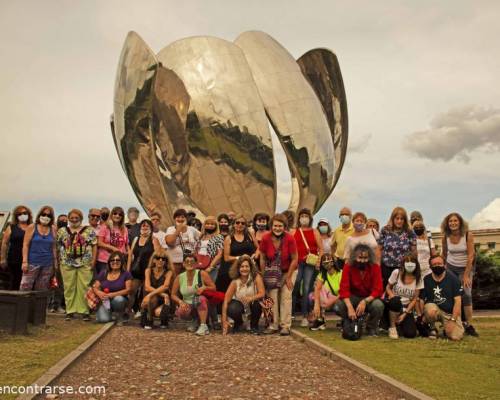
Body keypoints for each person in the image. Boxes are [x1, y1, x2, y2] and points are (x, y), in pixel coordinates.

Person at [259, 213, 298, 335]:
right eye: (275, 225)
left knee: (286, 296)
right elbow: (262, 258)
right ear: (271, 225)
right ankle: (273, 324)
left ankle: (285, 325)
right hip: (272, 272)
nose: (277, 228)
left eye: (280, 226)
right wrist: (263, 275)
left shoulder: (290, 238)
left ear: (284, 226)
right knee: (272, 297)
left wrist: (288, 277)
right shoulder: (266, 238)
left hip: (288, 269)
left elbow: (295, 258)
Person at [441, 212, 477, 337]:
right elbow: (444, 255)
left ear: (460, 222)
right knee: (452, 296)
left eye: (455, 221)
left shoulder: (468, 235)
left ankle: (468, 325)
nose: (453, 223)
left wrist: (466, 275)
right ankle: (455, 323)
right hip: (450, 268)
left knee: (466, 294)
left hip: (465, 269)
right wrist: (442, 270)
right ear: (447, 223)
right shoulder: (445, 236)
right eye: (450, 221)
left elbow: (471, 256)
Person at [57, 209, 97, 321]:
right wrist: (58, 260)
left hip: (85, 262)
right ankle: (70, 310)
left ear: (81, 218)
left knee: (84, 286)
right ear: (68, 219)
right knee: (69, 286)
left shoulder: (89, 230)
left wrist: (93, 260)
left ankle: (84, 311)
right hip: (66, 262)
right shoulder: (62, 231)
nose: (74, 220)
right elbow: (58, 246)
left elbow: (94, 245)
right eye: (72, 218)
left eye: (77, 217)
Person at [337, 244, 384, 337]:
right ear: (354, 256)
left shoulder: (375, 267)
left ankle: (371, 327)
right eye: (360, 257)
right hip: (353, 297)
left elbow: (378, 289)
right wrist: (350, 307)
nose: (363, 260)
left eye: (365, 258)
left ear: (369, 257)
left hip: (369, 298)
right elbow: (343, 289)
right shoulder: (347, 266)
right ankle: (348, 322)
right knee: (338, 305)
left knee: (378, 305)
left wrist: (365, 301)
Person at [170, 251, 216, 335]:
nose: (189, 263)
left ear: (196, 264)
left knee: (200, 299)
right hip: (188, 304)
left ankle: (203, 326)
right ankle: (195, 321)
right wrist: (180, 302)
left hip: (203, 304)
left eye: (192, 262)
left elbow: (214, 288)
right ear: (183, 264)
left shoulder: (202, 273)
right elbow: (173, 294)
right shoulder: (179, 277)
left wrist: (204, 287)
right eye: (187, 262)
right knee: (181, 312)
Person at [422, 255, 464, 341]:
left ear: (445, 265)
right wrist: (422, 315)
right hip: (434, 309)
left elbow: (458, 302)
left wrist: (453, 320)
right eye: (434, 264)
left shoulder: (454, 279)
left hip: (449, 313)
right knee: (430, 310)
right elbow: (421, 299)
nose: (437, 266)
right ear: (430, 267)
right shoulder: (426, 279)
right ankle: (432, 328)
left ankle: (447, 328)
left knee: (455, 337)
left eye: (439, 264)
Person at [292, 208, 323, 327]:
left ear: (310, 218)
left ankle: (305, 315)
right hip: (297, 263)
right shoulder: (294, 231)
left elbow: (320, 248)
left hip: (310, 263)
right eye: (302, 216)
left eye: (306, 216)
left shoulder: (314, 231)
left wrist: (319, 261)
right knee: (295, 285)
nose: (304, 218)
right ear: (299, 218)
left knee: (306, 288)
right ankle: (291, 313)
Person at [222, 255, 265, 335]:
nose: (244, 269)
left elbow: (262, 293)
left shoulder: (256, 277)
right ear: (238, 268)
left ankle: (254, 326)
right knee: (232, 308)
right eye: (242, 266)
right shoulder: (235, 281)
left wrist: (251, 298)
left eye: (247, 266)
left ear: (251, 267)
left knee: (258, 304)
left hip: (253, 303)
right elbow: (225, 301)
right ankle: (239, 323)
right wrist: (224, 321)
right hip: (240, 305)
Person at [127, 219, 160, 317]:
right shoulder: (136, 239)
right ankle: (128, 311)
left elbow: (158, 255)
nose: (145, 228)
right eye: (143, 226)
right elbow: (130, 255)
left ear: (151, 228)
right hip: (136, 270)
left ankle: (143, 312)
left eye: (147, 226)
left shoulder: (154, 240)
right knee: (131, 290)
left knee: (146, 291)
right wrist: (128, 270)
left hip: (148, 270)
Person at [217, 215, 258, 294]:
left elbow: (259, 248)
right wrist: (240, 258)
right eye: (237, 222)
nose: (240, 225)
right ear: (233, 224)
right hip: (232, 270)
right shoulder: (229, 238)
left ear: (246, 225)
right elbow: (226, 258)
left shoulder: (250, 235)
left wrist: (254, 255)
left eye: (243, 223)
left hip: (248, 269)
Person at [20, 206, 57, 291]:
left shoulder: (53, 229)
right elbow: (25, 245)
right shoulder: (32, 227)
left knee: (42, 289)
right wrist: (24, 262)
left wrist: (55, 263)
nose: (46, 217)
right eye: (44, 214)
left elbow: (54, 247)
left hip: (47, 264)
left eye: (49, 215)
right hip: (32, 263)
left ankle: (39, 305)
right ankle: (24, 304)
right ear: (39, 215)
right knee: (25, 287)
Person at [385, 254, 423, 339]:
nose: (410, 264)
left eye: (412, 262)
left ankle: (400, 325)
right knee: (395, 301)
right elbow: (388, 287)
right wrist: (392, 295)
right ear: (403, 263)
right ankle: (392, 327)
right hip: (394, 304)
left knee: (410, 334)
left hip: (407, 308)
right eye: (407, 262)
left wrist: (405, 314)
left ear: (416, 264)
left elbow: (414, 299)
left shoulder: (418, 279)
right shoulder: (396, 273)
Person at [378, 207, 417, 286]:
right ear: (393, 218)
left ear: (405, 220)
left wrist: (414, 266)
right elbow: (379, 249)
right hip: (386, 267)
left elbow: (414, 251)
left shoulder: (410, 232)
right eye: (397, 218)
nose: (399, 221)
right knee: (387, 290)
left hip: (403, 268)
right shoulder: (385, 230)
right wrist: (378, 265)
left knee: (401, 290)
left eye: (402, 219)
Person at [93, 251, 132, 325]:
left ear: (121, 262)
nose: (115, 262)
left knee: (119, 299)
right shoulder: (103, 272)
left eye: (118, 260)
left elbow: (128, 290)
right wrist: (99, 292)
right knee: (103, 319)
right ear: (109, 262)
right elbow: (95, 287)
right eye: (112, 260)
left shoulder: (126, 274)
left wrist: (112, 294)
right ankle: (111, 315)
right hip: (105, 301)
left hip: (120, 300)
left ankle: (120, 315)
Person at [0, 205, 32, 290]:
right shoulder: (11, 227)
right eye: (20, 213)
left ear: (28, 214)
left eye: (25, 213)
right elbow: (5, 243)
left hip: (30, 259)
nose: (22, 215)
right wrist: (2, 258)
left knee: (27, 283)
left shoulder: (32, 227)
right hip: (14, 259)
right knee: (16, 281)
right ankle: (14, 301)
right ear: (16, 216)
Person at [140, 250, 173, 329]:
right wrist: (162, 294)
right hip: (152, 298)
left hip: (163, 300)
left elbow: (165, 286)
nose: (160, 260)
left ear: (166, 261)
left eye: (163, 259)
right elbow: (147, 287)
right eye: (158, 258)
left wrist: (151, 294)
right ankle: (149, 319)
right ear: (154, 260)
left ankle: (164, 320)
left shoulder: (169, 272)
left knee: (158, 311)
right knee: (152, 299)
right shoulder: (148, 270)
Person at [309, 253, 342, 331]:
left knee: (337, 307)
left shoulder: (340, 273)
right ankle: (320, 320)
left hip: (339, 299)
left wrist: (331, 302)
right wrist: (316, 305)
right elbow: (317, 289)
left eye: (329, 262)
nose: (327, 264)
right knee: (311, 297)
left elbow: (343, 292)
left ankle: (345, 320)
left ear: (333, 262)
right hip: (327, 299)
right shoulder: (322, 274)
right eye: (325, 263)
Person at [165, 208, 201, 275]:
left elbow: (203, 237)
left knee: (187, 283)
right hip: (175, 263)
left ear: (186, 218)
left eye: (182, 217)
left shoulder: (192, 229)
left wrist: (197, 249)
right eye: (178, 217)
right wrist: (178, 229)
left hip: (189, 263)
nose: (180, 219)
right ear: (174, 219)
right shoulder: (170, 229)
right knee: (175, 282)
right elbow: (170, 242)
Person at [96, 207, 129, 275]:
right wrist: (112, 248)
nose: (117, 215)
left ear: (122, 217)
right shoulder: (105, 226)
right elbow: (99, 243)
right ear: (111, 215)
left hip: (118, 261)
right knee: (103, 283)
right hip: (104, 261)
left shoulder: (124, 229)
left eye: (120, 214)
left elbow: (125, 245)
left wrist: (125, 253)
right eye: (115, 213)